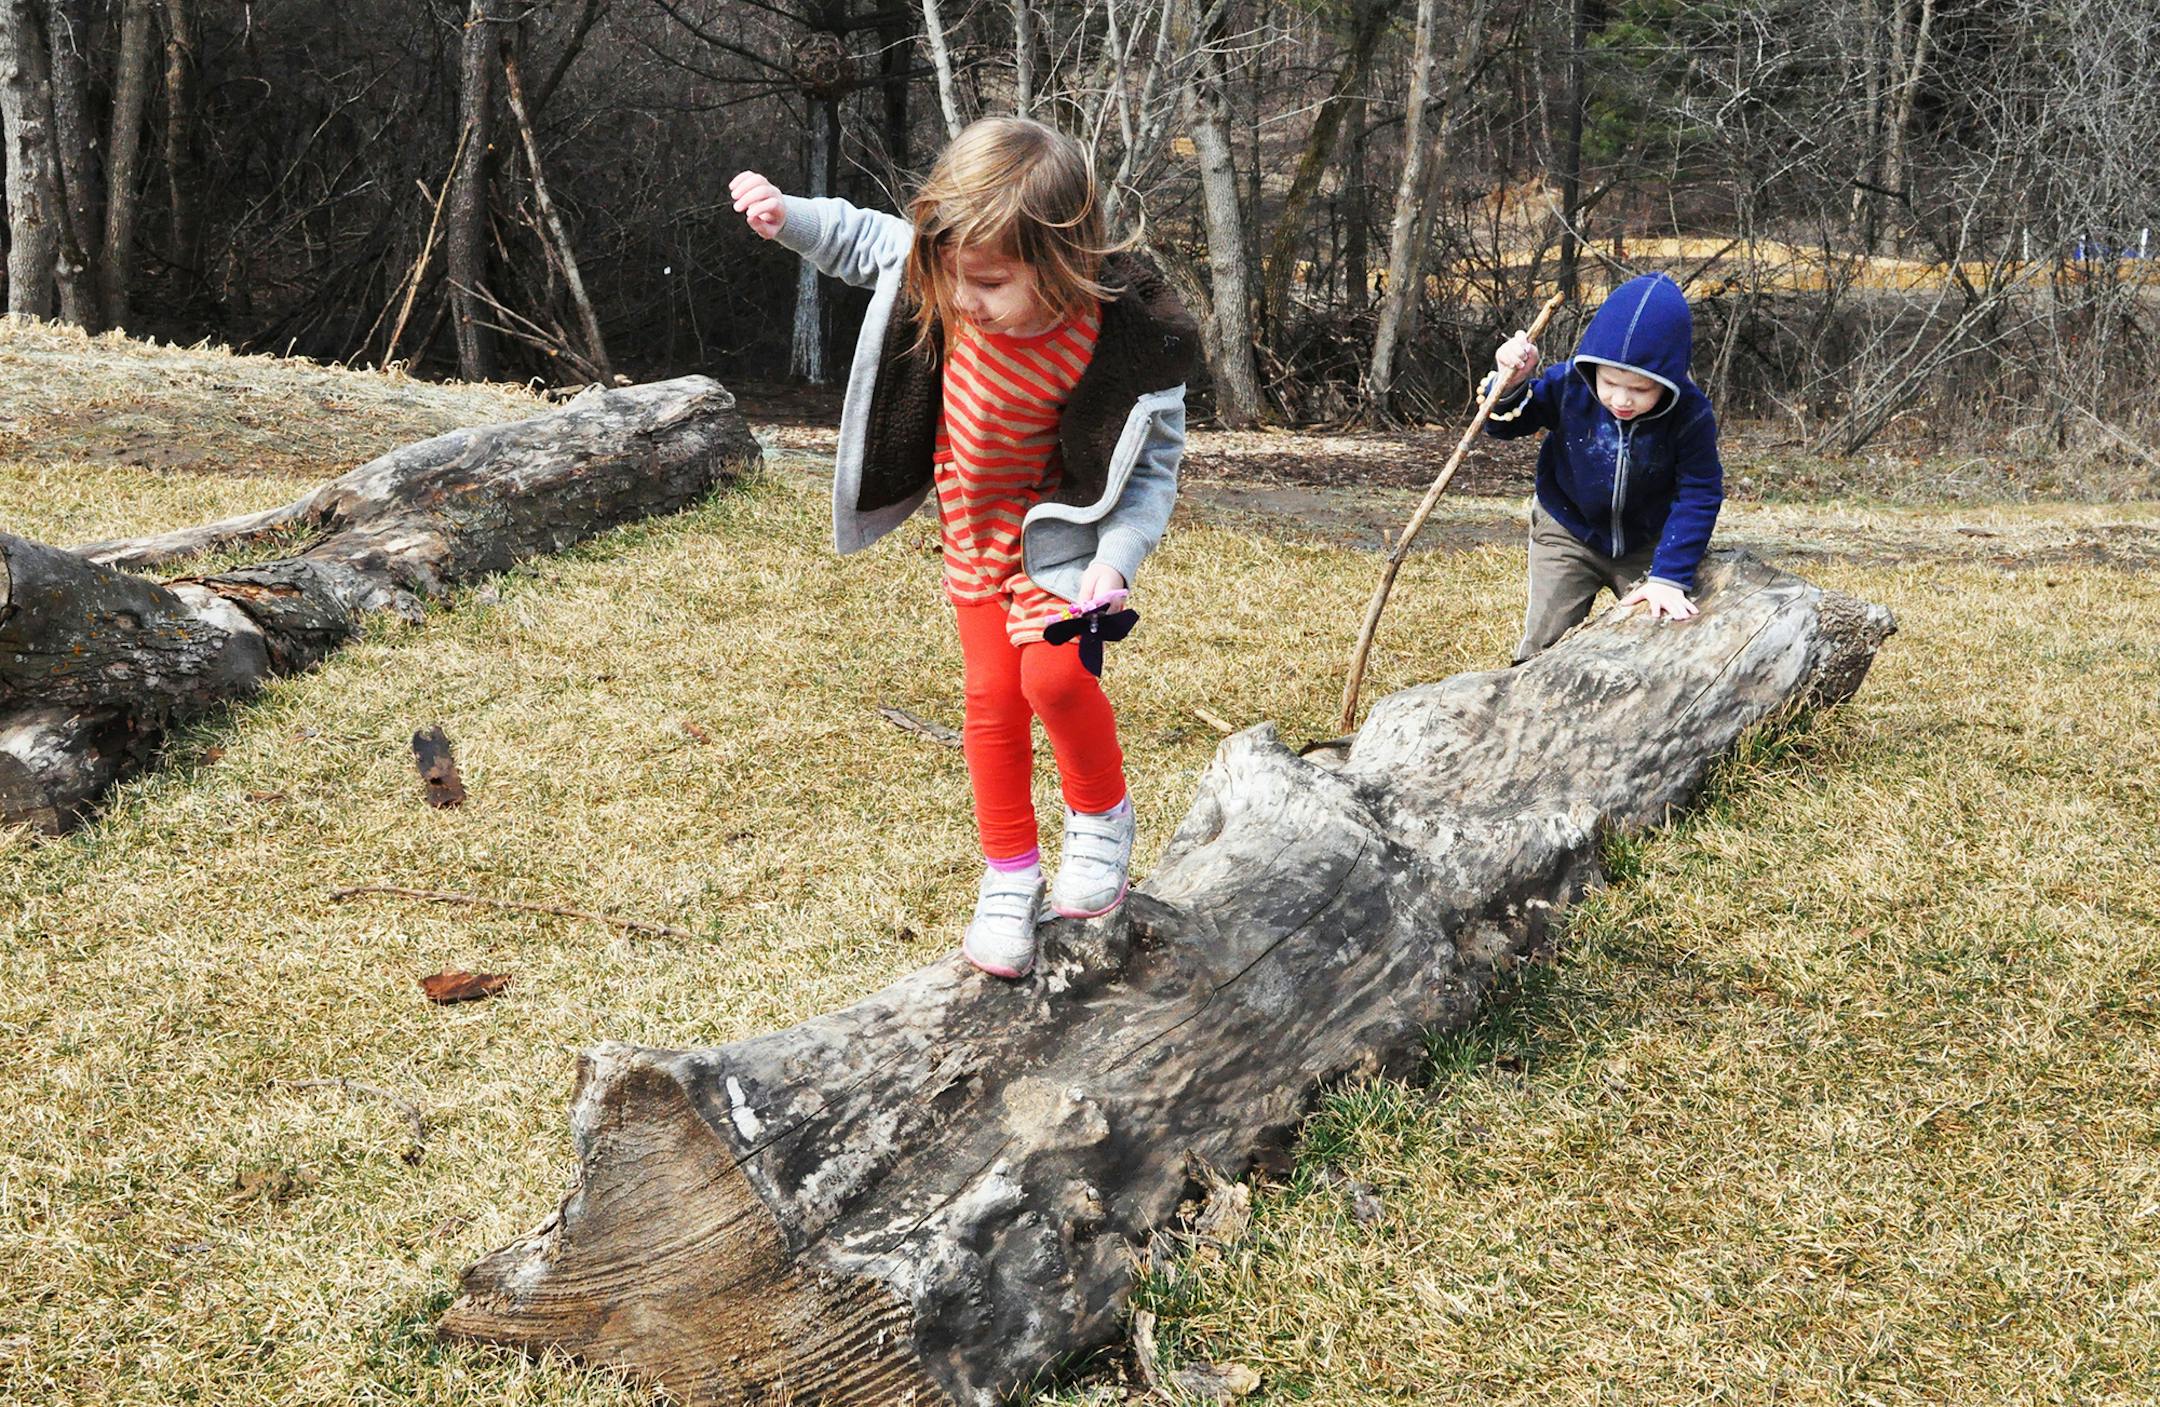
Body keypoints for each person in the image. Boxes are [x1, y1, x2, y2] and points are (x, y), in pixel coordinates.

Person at [730, 117, 1195, 980]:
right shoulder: (945, 274)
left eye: (985, 281)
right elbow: (867, 239)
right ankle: (1010, 872)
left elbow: (1151, 472)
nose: (962, 297)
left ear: (1060, 265)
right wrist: (786, 214)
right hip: (973, 548)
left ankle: (1100, 819)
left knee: (1054, 677)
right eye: (949, 271)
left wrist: (1115, 562)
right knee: (989, 701)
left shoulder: (1118, 339)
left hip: (1060, 549)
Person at [1481, 272, 1724, 662]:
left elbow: (1701, 491)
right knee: (1547, 639)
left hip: (1648, 541)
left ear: (1670, 380)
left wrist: (1669, 574)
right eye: (1610, 382)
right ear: (1592, 366)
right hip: (1567, 529)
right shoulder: (1568, 386)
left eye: (1641, 389)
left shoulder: (1690, 414)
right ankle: (1527, 692)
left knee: (1657, 642)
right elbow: (1500, 425)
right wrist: (1512, 383)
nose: (1621, 399)